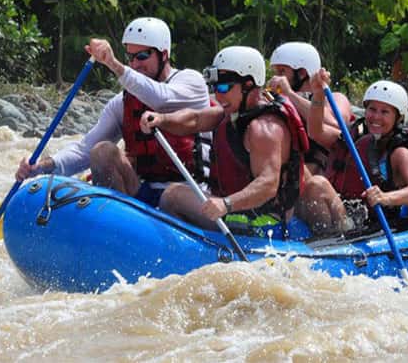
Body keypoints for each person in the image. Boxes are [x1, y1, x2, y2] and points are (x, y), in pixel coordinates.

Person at [140, 46, 344, 238]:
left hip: (266, 224)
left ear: (248, 85)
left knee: (317, 185)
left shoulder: (265, 128)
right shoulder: (232, 113)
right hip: (237, 214)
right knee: (172, 196)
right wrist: (162, 119)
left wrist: (226, 204)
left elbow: (268, 185)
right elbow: (196, 119)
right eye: (214, 87)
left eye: (224, 87)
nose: (218, 95)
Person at [15, 17, 212, 207]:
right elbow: (84, 150)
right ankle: (118, 223)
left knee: (172, 196)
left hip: (187, 194)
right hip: (142, 191)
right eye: (131, 57)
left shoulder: (190, 82)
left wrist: (113, 64)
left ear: (164, 54)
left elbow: (161, 98)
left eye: (142, 56)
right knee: (102, 152)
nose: (135, 64)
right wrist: (40, 167)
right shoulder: (122, 103)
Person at [308, 73, 408, 222]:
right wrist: (318, 95)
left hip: (375, 225)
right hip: (347, 216)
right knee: (315, 182)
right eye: (372, 109)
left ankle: (328, 241)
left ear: (398, 118)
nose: (376, 117)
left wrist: (385, 197)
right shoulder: (353, 138)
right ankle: (323, 240)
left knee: (318, 183)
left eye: (385, 112)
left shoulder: (400, 153)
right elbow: (316, 131)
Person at [268, 41, 353, 174]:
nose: (277, 77)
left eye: (282, 71)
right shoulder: (278, 99)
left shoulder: (336, 98)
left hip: (321, 171)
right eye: (276, 72)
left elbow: (335, 124)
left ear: (302, 73)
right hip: (290, 169)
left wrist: (290, 94)